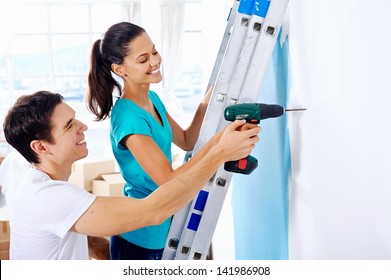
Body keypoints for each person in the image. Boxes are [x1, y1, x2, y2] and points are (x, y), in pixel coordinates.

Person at [3, 90, 260, 260]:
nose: (83, 127)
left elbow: (90, 243)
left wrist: (218, 144)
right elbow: (154, 212)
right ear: (40, 147)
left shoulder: (42, 183)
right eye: (70, 126)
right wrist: (220, 154)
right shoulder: (49, 198)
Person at [87, 22, 255, 260]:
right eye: (143, 59)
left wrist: (207, 103)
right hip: (142, 237)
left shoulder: (152, 98)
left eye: (154, 51)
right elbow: (167, 180)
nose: (155, 61)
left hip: (166, 226)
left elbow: (186, 141)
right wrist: (221, 145)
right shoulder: (128, 118)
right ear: (120, 69)